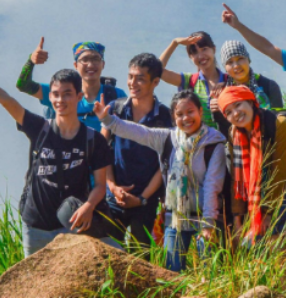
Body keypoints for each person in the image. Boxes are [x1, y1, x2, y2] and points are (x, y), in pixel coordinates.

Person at [0, 54, 115, 256]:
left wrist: (89, 206)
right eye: (56, 94)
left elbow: (101, 185)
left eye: (67, 94)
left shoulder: (93, 140)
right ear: (50, 97)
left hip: (72, 222)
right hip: (35, 225)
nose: (60, 100)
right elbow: (4, 98)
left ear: (79, 96)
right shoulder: (38, 128)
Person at [97, 89, 227, 272]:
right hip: (176, 217)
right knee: (171, 273)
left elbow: (212, 186)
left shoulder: (213, 144)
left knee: (209, 273)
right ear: (174, 118)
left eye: (190, 112)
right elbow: (140, 132)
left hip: (206, 216)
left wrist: (207, 225)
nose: (186, 118)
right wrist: (108, 120)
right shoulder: (168, 138)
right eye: (180, 114)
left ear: (200, 111)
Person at [217, 85, 286, 246]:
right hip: (265, 177)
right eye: (228, 112)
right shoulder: (235, 134)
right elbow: (237, 180)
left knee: (280, 225)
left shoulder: (279, 124)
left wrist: (267, 212)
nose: (236, 113)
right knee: (251, 232)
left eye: (238, 105)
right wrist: (238, 218)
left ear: (251, 102)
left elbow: (280, 171)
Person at [102, 53, 173, 250]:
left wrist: (142, 198)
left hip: (146, 201)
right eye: (130, 76)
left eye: (140, 78)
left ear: (155, 82)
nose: (133, 83)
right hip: (114, 197)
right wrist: (113, 187)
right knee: (109, 254)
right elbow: (101, 151)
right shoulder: (115, 109)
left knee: (141, 259)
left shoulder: (165, 117)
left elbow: (167, 162)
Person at [16, 39, 126, 130]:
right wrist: (31, 61)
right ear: (75, 65)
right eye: (85, 60)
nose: (90, 64)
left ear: (103, 64)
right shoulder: (61, 93)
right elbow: (23, 85)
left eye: (95, 59)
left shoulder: (116, 96)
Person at [159, 32, 225, 128]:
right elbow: (157, 70)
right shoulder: (189, 81)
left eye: (204, 49)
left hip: (227, 142)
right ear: (190, 57)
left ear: (214, 50)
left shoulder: (230, 81)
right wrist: (174, 43)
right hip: (198, 142)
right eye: (195, 52)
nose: (201, 56)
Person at [218, 40, 283, 110]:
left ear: (248, 60)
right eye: (230, 62)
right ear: (225, 68)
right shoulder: (222, 92)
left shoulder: (269, 86)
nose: (236, 66)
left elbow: (279, 117)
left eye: (240, 58)